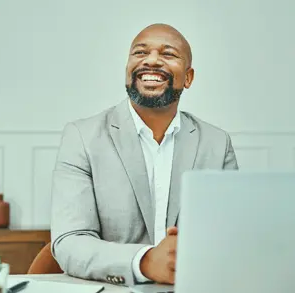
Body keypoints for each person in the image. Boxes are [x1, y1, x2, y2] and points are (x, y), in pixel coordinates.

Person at [50, 23, 238, 286]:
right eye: (140, 53)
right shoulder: (82, 137)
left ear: (188, 77)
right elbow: (69, 242)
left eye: (168, 54)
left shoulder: (217, 144)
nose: (151, 60)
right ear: (128, 70)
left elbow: (231, 236)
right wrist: (145, 261)